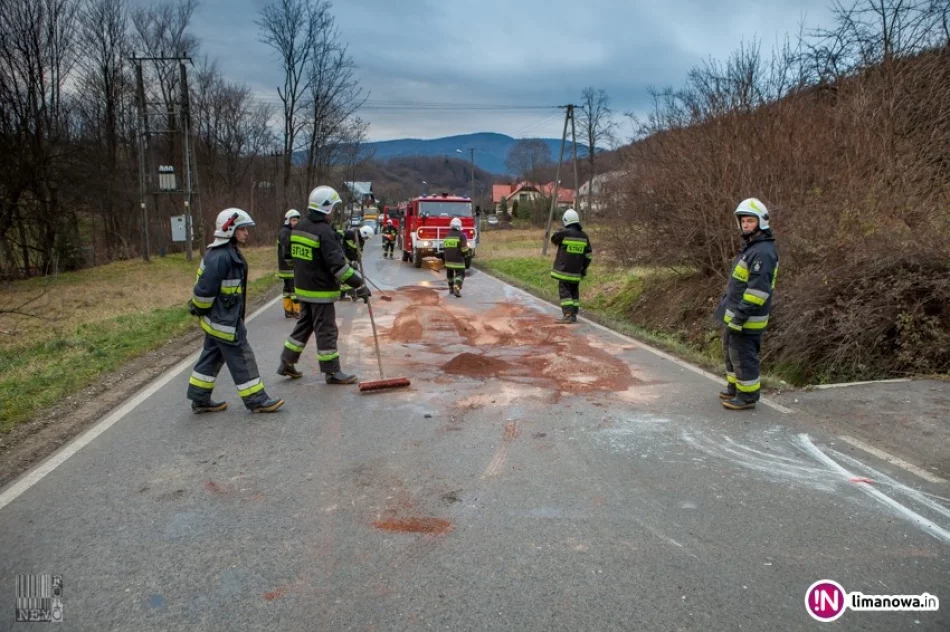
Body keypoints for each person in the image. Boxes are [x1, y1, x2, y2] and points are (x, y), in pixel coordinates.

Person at [187, 208, 284, 414]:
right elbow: (204, 291)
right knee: (242, 356)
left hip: (221, 318)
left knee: (212, 355)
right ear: (229, 229)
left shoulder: (227, 253)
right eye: (242, 229)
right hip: (224, 321)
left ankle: (200, 398)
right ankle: (256, 399)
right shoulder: (220, 257)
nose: (246, 233)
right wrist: (199, 309)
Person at [277, 185, 371, 384]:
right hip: (320, 291)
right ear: (326, 208)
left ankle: (287, 361)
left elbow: (289, 255)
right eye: (334, 208)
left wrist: (344, 234)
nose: (335, 212)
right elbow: (339, 268)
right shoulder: (324, 232)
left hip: (302, 288)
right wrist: (359, 285)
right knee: (326, 330)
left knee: (304, 325)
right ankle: (332, 372)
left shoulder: (301, 226)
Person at [715, 198, 779, 411]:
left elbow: (757, 292)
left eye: (750, 221)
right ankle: (735, 387)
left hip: (747, 318)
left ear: (761, 222)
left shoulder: (762, 252)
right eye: (743, 221)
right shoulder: (752, 248)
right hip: (737, 315)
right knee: (731, 352)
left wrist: (740, 316)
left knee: (743, 355)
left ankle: (748, 395)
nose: (746, 225)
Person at [550, 208, 592, 323]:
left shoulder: (564, 233)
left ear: (566, 220)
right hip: (576, 272)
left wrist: (560, 231)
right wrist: (584, 268)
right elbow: (588, 256)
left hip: (564, 271)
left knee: (565, 292)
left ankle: (567, 315)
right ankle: (573, 315)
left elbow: (553, 238)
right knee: (574, 292)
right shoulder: (584, 236)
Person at [277, 209, 301, 318]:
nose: (296, 222)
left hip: (285, 267)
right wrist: (291, 261)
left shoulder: (286, 231)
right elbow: (286, 250)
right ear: (288, 220)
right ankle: (298, 311)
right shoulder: (286, 232)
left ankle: (288, 310)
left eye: (297, 220)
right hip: (289, 267)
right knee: (295, 289)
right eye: (294, 220)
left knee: (287, 290)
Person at [443, 217, 469, 297]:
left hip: (448, 259)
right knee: (460, 273)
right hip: (458, 259)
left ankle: (450, 288)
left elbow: (445, 247)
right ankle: (457, 288)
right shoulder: (462, 235)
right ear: (460, 226)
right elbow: (464, 249)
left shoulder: (448, 235)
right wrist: (467, 253)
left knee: (449, 273)